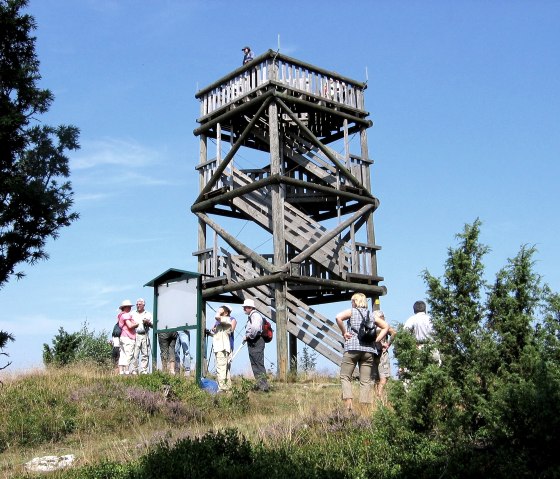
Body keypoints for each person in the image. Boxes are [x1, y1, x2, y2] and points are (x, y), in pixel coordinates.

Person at [336, 293, 389, 412]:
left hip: (352, 348)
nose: (351, 303)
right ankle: (365, 409)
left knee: (345, 376)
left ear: (355, 301)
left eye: (352, 301)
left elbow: (338, 317)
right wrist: (377, 340)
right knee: (365, 380)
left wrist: (344, 332)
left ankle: (348, 404)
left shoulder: (352, 312)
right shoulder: (371, 315)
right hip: (369, 350)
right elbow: (386, 326)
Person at [242, 298, 270, 392]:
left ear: (250, 307)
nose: (244, 309)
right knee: (255, 364)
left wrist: (248, 336)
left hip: (256, 341)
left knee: (258, 363)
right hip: (255, 341)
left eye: (245, 307)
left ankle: (263, 387)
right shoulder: (252, 316)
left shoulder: (255, 316)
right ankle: (260, 385)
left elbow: (255, 328)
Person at [404, 300, 441, 366]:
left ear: (414, 310)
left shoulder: (412, 319)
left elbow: (404, 333)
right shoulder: (432, 319)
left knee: (419, 372)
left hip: (418, 348)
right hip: (433, 347)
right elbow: (439, 333)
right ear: (425, 309)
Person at [373, 323, 397, 402]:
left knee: (376, 379)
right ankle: (379, 396)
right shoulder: (385, 326)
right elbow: (394, 333)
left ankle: (377, 398)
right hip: (383, 354)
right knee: (383, 378)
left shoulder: (370, 325)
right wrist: (388, 344)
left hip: (372, 353)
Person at [212, 305, 233, 392]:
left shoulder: (227, 319)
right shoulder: (222, 323)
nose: (219, 311)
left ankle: (222, 389)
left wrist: (219, 311)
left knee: (221, 369)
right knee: (225, 370)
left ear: (226, 312)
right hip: (220, 348)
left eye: (222, 310)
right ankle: (228, 388)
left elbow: (217, 317)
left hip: (222, 348)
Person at [117, 299, 138, 375]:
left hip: (122, 336)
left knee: (122, 354)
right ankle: (127, 370)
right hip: (128, 337)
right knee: (129, 354)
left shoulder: (120, 315)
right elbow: (130, 325)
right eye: (128, 307)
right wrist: (137, 324)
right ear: (125, 307)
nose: (130, 308)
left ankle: (121, 371)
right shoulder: (126, 315)